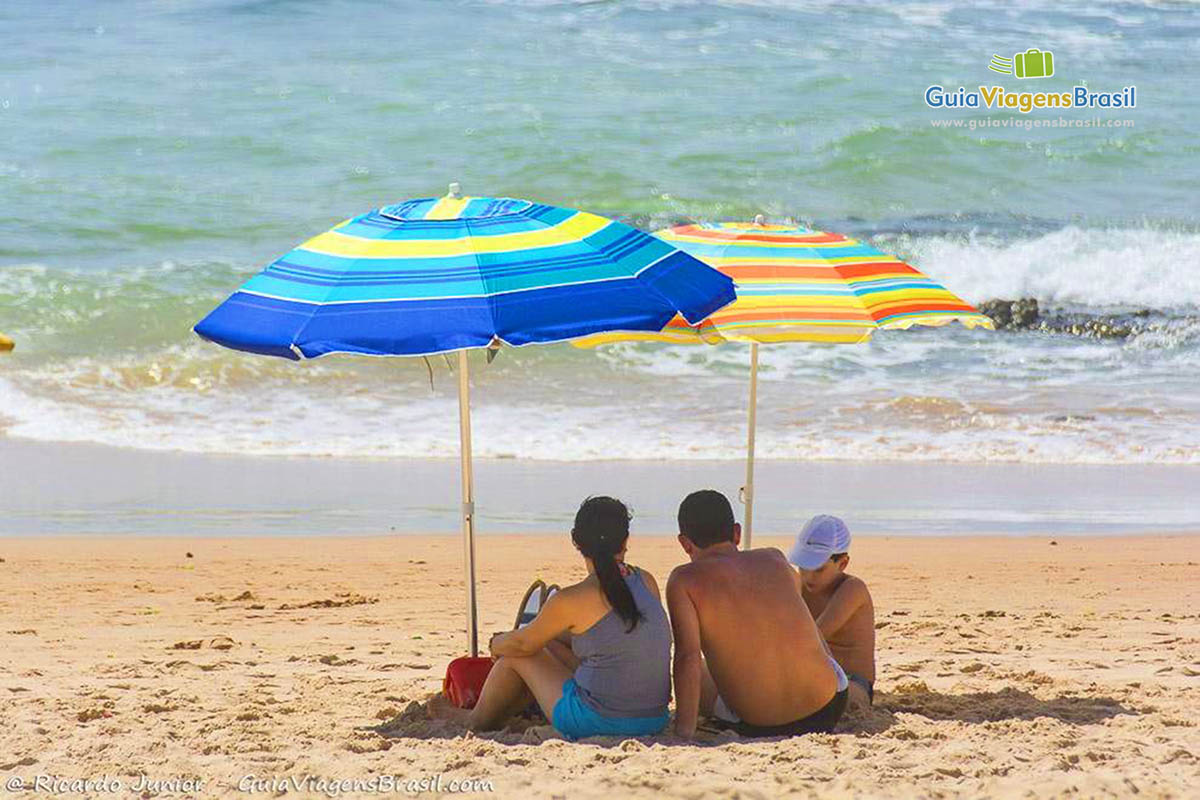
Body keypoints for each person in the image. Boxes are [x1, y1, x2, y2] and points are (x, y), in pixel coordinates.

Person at [429, 496, 671, 740]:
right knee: (550, 640)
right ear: (626, 540)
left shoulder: (571, 599)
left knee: (518, 654)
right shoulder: (646, 581)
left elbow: (523, 645)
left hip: (597, 720)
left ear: (575, 540)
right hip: (653, 718)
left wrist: (497, 643)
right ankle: (526, 691)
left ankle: (476, 719)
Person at [667, 490, 848, 739]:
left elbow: (687, 657)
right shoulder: (774, 558)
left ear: (685, 543)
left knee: (700, 670)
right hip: (830, 704)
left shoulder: (684, 580)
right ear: (737, 532)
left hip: (764, 723)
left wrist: (683, 732)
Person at [790, 514, 876, 708]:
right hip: (814, 674)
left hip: (852, 683)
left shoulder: (852, 589)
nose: (808, 576)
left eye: (818, 569)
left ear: (843, 563)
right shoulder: (799, 584)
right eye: (803, 567)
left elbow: (815, 636)